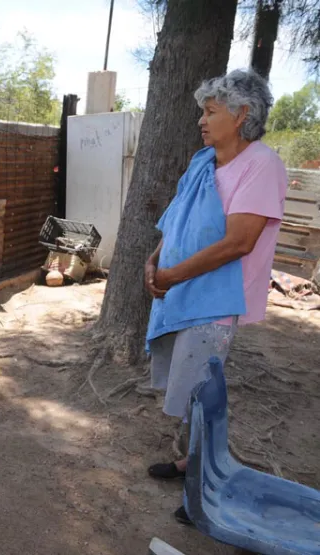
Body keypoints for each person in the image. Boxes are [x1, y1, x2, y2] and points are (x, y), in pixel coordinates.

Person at [144, 70, 287, 525]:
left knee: (202, 395)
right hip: (182, 290)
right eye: (201, 113)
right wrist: (153, 262)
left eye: (211, 112)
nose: (202, 121)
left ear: (242, 115)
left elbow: (237, 243)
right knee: (188, 392)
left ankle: (203, 492)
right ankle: (191, 465)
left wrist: (170, 276)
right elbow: (177, 221)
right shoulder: (204, 161)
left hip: (216, 299)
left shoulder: (261, 164)